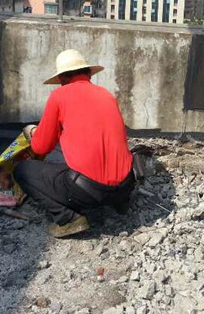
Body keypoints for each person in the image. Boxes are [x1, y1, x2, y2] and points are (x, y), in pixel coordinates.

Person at [14, 49, 134, 238]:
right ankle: (119, 203)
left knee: (23, 171)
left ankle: (68, 218)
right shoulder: (107, 95)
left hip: (89, 191)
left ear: (62, 78)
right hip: (126, 185)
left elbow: (40, 147)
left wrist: (32, 132)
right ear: (88, 73)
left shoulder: (59, 96)